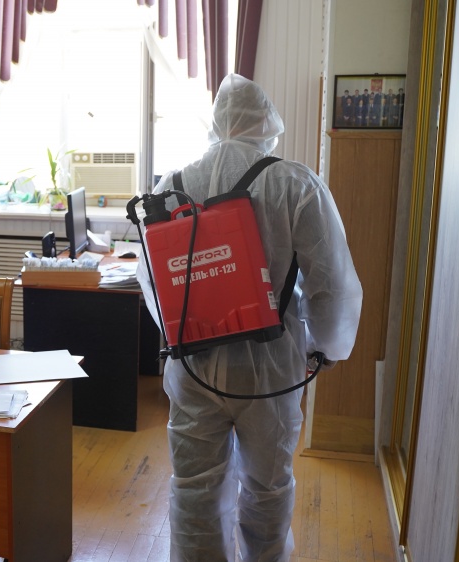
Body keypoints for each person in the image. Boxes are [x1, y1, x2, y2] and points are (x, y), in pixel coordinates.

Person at [136, 74, 363, 561]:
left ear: (216, 123)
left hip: (192, 364)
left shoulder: (171, 186)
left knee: (194, 487)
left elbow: (152, 281)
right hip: (270, 369)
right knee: (267, 487)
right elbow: (331, 282)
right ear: (267, 123)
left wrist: (184, 335)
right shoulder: (294, 182)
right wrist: (325, 348)